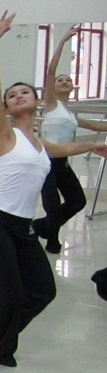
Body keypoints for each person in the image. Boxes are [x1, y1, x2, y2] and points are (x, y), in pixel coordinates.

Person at [0, 12, 107, 367]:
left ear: (36, 100)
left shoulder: (40, 144)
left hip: (23, 226)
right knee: (10, 293)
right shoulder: (6, 134)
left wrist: (92, 145)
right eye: (12, 95)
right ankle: (2, 350)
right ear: (7, 108)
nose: (18, 96)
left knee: (43, 290)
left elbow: (65, 148)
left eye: (24, 92)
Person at [35, 25, 107, 253]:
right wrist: (62, 42)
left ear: (73, 88)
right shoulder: (51, 105)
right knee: (52, 204)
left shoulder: (71, 115)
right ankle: (52, 239)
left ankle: (41, 226)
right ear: (54, 88)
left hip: (62, 164)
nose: (64, 81)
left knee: (77, 201)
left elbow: (98, 126)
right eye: (60, 80)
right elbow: (50, 71)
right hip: (46, 161)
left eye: (68, 80)